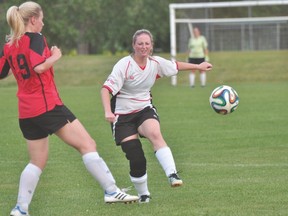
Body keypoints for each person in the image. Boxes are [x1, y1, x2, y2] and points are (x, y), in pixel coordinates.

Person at [0, 2, 139, 216]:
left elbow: (2, 72)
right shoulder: (35, 38)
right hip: (48, 106)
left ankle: (20, 208)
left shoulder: (10, 45)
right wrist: (55, 55)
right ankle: (111, 191)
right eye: (42, 19)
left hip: (26, 113)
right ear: (33, 19)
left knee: (36, 161)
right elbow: (38, 67)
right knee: (88, 144)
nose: (43, 23)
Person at [100, 29, 212, 203]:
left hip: (144, 109)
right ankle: (144, 194)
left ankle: (172, 174)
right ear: (133, 46)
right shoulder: (124, 65)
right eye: (140, 44)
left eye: (147, 43)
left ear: (151, 46)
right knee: (136, 156)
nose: (143, 47)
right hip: (122, 116)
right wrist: (108, 111)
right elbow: (106, 89)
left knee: (154, 133)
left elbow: (175, 66)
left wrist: (198, 66)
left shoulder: (155, 63)